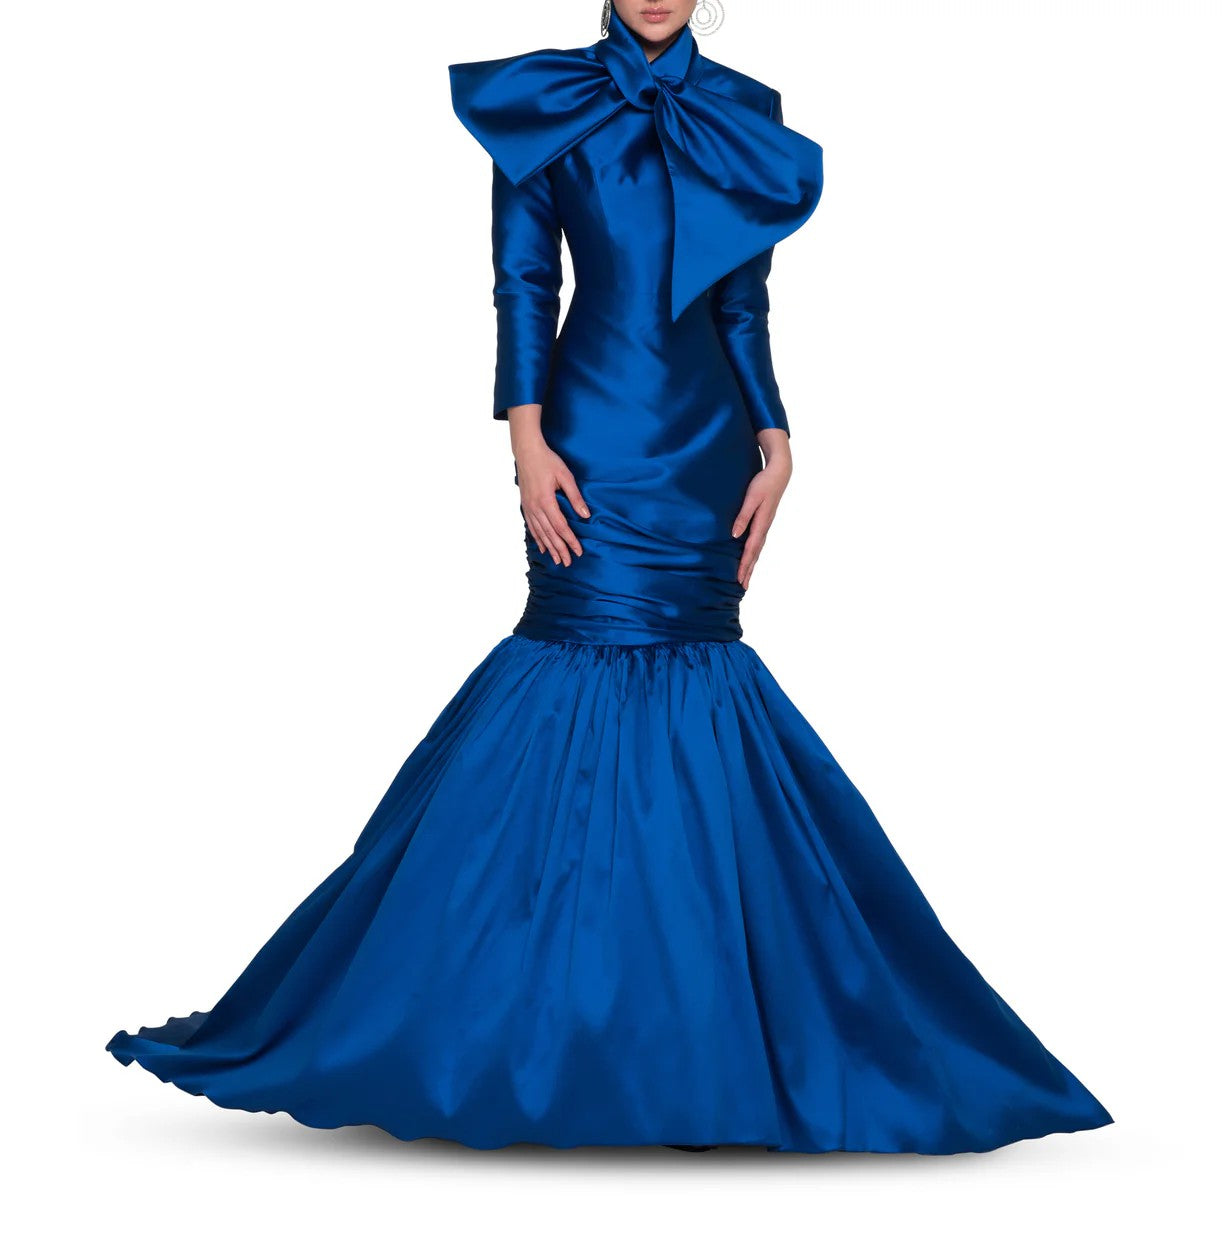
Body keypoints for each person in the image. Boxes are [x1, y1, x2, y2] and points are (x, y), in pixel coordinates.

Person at [106, 1, 1113, 1154]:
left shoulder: (744, 111)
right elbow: (521, 279)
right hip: (587, 429)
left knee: (698, 678)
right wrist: (525, 437)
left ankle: (697, 1029)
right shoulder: (545, 101)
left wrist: (776, 435)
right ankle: (508, 1022)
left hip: (707, 441)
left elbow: (743, 299)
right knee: (571, 661)